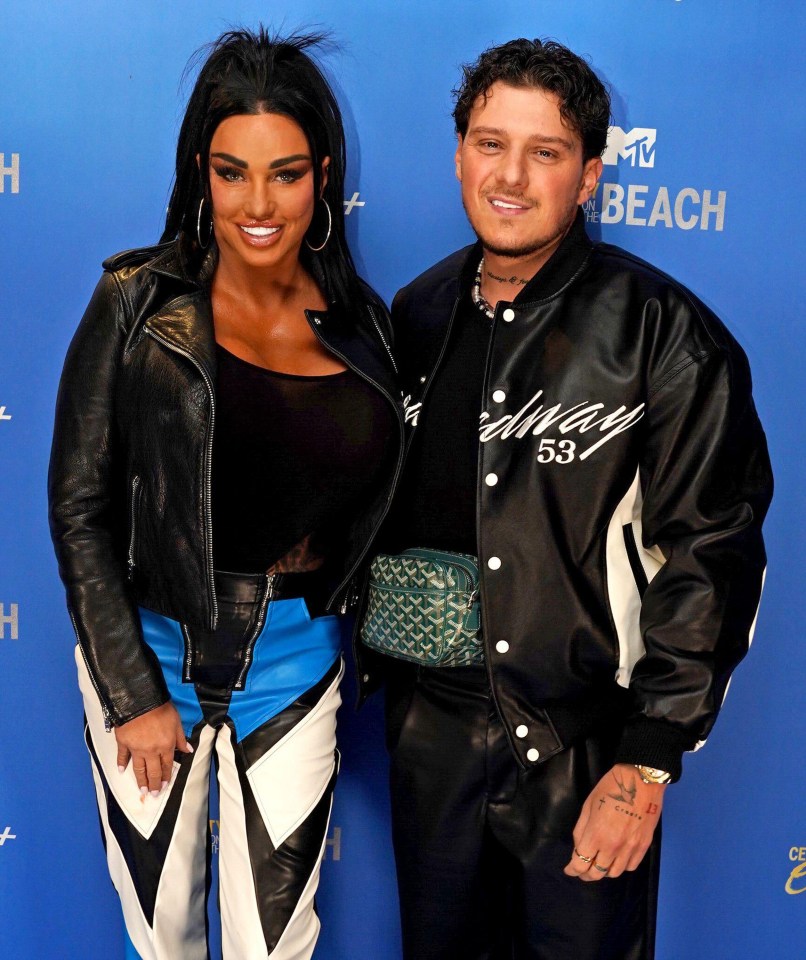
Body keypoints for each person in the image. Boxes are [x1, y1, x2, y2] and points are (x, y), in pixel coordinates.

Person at [357, 38, 773, 960]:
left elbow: (713, 550)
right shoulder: (415, 315)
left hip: (583, 754)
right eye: (488, 143)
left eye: (544, 152)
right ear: (459, 152)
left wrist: (648, 760)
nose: (509, 176)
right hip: (431, 743)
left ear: (588, 177)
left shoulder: (663, 334)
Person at [48, 28, 402, 960]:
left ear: (322, 175)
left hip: (298, 664)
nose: (258, 202)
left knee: (273, 944)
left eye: (285, 174)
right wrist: (130, 692)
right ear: (200, 172)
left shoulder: (365, 327)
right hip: (150, 651)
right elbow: (79, 508)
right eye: (231, 171)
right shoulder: (133, 301)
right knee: (163, 936)